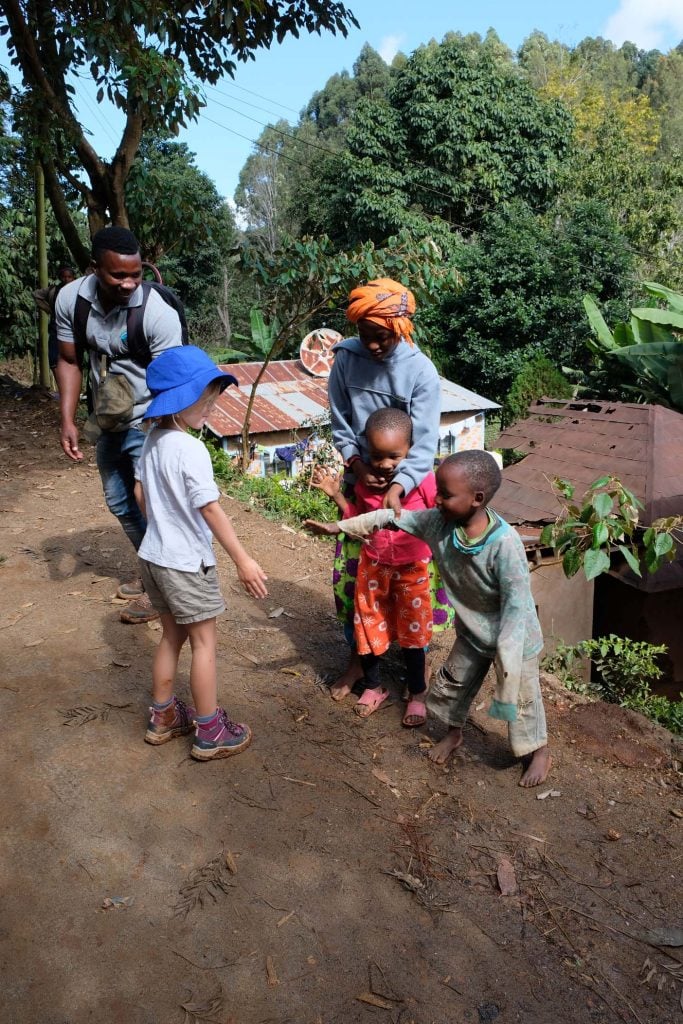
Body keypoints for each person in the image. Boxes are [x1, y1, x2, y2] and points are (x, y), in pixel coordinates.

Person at [305, 450, 551, 788]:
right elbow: (386, 518)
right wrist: (338, 526)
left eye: (446, 494)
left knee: (521, 698)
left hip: (515, 636)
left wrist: (507, 664)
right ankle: (454, 735)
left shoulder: (505, 545)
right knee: (454, 685)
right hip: (472, 633)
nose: (435, 499)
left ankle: (537, 751)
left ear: (477, 499)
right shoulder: (438, 523)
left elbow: (516, 609)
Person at [134, 345, 268, 760]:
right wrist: (243, 560)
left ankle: (163, 717)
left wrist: (163, 524)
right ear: (177, 401)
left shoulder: (152, 441)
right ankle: (210, 730)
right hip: (186, 563)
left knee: (171, 636)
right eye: (204, 398)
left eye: (214, 397)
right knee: (204, 643)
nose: (211, 406)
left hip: (153, 556)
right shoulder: (190, 449)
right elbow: (209, 508)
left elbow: (140, 492)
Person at [54, 227, 183, 623]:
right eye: (118, 276)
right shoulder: (70, 300)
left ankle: (164, 589)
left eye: (136, 275)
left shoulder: (157, 313)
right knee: (119, 500)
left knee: (153, 503)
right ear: (94, 269)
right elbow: (70, 360)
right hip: (108, 413)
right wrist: (68, 418)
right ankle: (150, 571)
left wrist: (164, 442)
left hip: (151, 416)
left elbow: (174, 381)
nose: (129, 284)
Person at [326, 278, 444, 700]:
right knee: (355, 580)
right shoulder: (344, 360)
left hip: (406, 492)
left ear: (401, 329)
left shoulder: (421, 372)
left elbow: (426, 442)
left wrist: (399, 483)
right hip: (360, 479)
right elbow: (339, 419)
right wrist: (356, 464)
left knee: (412, 584)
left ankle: (418, 670)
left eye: (383, 337)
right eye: (366, 336)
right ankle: (358, 659)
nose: (374, 345)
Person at [313, 408, 445, 726]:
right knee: (367, 629)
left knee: (414, 637)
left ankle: (416, 693)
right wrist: (337, 497)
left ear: (411, 451)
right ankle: (373, 686)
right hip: (372, 568)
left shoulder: (425, 481)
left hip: (412, 569)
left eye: (394, 456)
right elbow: (359, 522)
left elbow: (440, 516)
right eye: (377, 456)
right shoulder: (365, 484)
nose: (385, 465)